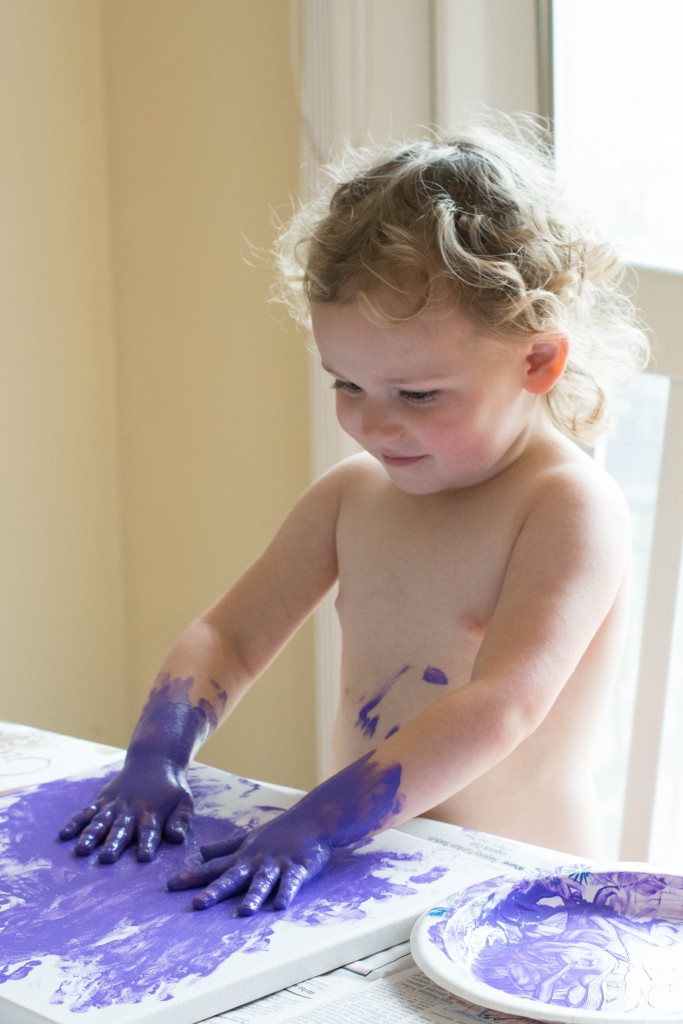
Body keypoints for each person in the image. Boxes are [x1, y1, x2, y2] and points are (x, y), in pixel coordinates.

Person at [59, 113, 650, 917]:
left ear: (538, 360)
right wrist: (158, 752)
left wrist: (319, 821)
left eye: (416, 395)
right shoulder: (353, 495)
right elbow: (228, 637)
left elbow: (501, 705)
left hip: (516, 892)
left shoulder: (566, 508)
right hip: (364, 879)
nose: (373, 426)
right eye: (347, 385)